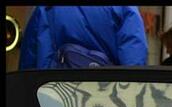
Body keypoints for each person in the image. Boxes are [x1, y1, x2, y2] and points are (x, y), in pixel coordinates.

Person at [19, 6, 148, 69]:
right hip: (105, 103)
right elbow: (134, 63)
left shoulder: (45, 9)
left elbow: (28, 63)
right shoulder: (125, 9)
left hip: (53, 100)